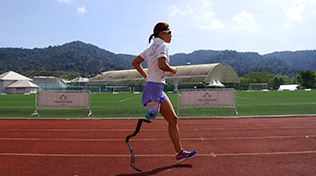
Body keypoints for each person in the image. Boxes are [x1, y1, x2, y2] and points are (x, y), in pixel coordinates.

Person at [132, 22, 197, 163]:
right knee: (163, 117)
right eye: (169, 32)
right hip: (155, 86)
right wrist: (172, 70)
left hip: (154, 85)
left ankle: (180, 153)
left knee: (173, 119)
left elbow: (135, 62)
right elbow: (162, 65)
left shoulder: (150, 48)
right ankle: (179, 152)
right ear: (161, 32)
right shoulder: (163, 46)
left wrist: (147, 77)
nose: (171, 35)